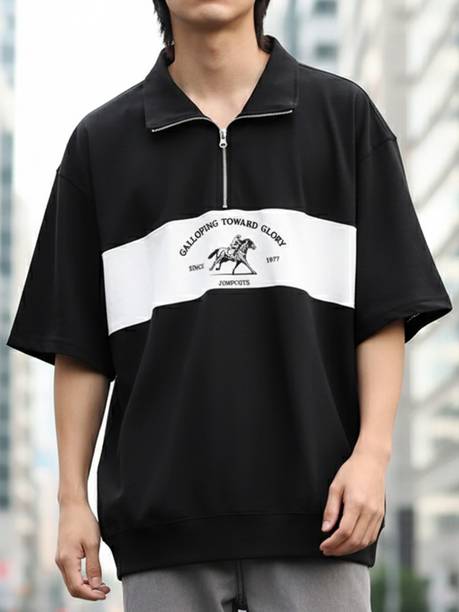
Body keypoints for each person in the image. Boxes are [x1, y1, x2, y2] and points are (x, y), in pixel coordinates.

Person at [6, 0, 453, 610]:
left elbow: (383, 312)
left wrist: (372, 457)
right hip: (161, 532)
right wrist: (71, 499)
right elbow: (79, 348)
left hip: (320, 523)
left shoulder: (344, 117)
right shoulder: (99, 145)